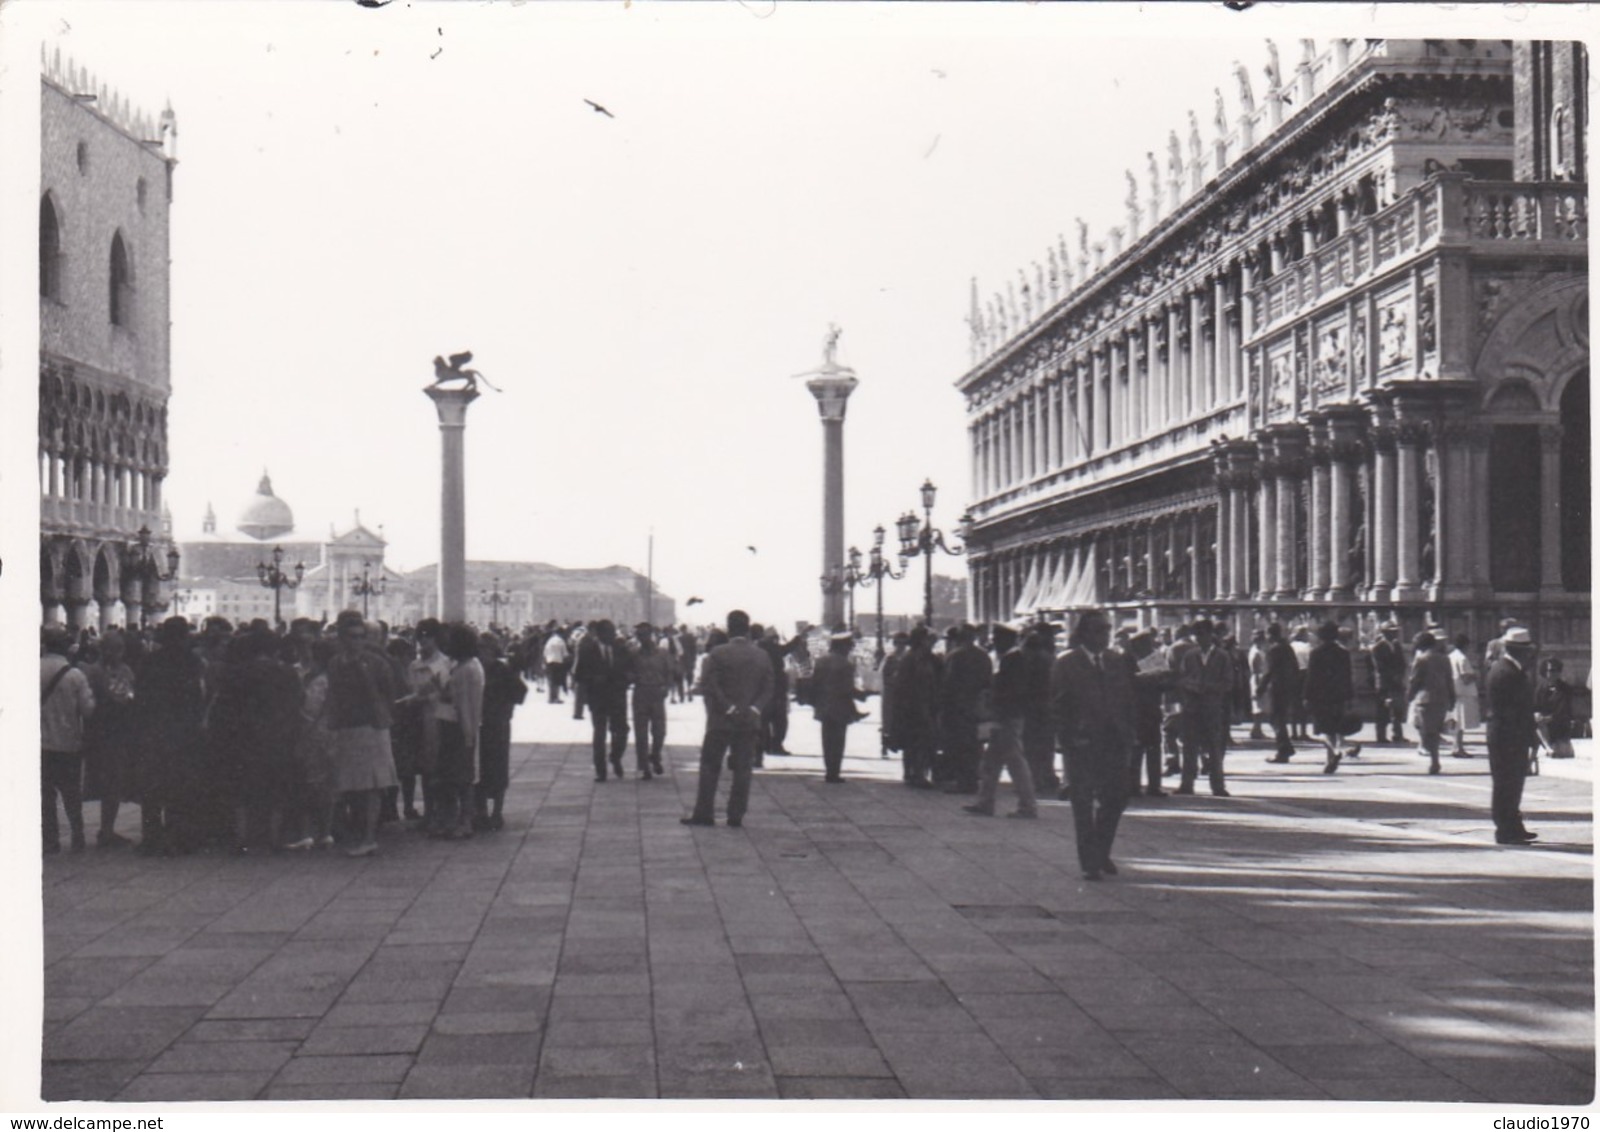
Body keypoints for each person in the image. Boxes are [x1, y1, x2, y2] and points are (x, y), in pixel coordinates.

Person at [1051, 610, 1133, 880]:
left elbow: (1126, 697)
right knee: (1083, 802)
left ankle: (1100, 850)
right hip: (1082, 742)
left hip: (1113, 742)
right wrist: (1067, 738)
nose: (1105, 635)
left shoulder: (1116, 660)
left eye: (1107, 629)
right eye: (1099, 630)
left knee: (1117, 798)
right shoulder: (1067, 662)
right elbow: (1057, 705)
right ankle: (1090, 862)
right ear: (1084, 633)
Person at [682, 610, 772, 827]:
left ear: (729, 627)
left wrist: (729, 707)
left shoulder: (718, 653)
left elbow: (710, 685)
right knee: (743, 768)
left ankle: (704, 813)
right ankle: (736, 814)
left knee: (710, 766)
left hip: (720, 720)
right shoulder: (761, 655)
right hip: (749, 720)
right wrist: (754, 709)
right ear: (748, 628)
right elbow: (769, 687)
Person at [325, 610, 400, 857]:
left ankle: (369, 836)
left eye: (360, 637)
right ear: (342, 638)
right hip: (346, 728)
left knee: (371, 785)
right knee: (350, 785)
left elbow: (390, 694)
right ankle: (356, 832)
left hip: (371, 728)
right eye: (351, 637)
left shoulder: (376, 663)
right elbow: (333, 695)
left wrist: (383, 716)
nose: (356, 641)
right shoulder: (336, 663)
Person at [133, 618, 206, 856]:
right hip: (183, 731)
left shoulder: (150, 661)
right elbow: (198, 697)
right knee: (180, 786)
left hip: (154, 730)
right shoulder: (192, 662)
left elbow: (141, 697)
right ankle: (179, 837)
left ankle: (151, 837)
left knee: (153, 787)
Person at [965, 624, 1039, 818]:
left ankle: (1027, 805)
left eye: (997, 639)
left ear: (1007, 639)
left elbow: (1009, 691)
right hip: (1007, 716)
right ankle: (985, 802)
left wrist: (995, 710)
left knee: (1015, 762)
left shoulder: (1012, 660)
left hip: (1007, 717)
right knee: (992, 762)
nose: (994, 643)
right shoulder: (1013, 658)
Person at [80, 628, 137, 849]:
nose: (117, 654)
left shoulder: (92, 671)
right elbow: (127, 698)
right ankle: (106, 830)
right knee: (111, 782)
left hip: (100, 732)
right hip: (113, 733)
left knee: (109, 783)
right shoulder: (115, 671)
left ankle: (106, 828)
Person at [41, 627, 96, 854]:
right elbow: (88, 710)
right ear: (65, 646)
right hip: (68, 743)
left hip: (39, 745)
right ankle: (77, 835)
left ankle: (50, 840)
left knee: (45, 796)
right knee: (71, 793)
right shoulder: (75, 675)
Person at [1484, 627, 1539, 845]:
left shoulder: (1506, 669)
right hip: (1507, 736)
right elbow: (1512, 709)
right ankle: (1505, 829)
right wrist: (1526, 732)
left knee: (1512, 782)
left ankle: (1513, 824)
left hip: (1509, 734)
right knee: (1506, 783)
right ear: (1519, 651)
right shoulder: (1506, 673)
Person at [474, 634, 527, 830]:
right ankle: (480, 811)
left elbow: (520, 692)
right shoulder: (475, 669)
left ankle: (497, 811)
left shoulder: (501, 669)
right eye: (479, 649)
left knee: (497, 768)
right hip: (479, 724)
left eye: (485, 649)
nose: (482, 653)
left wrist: (506, 709)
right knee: (479, 768)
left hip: (497, 726)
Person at [1176, 619, 1233, 796]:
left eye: (1202, 634)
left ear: (1211, 635)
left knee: (1214, 747)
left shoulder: (1222, 656)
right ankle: (1187, 784)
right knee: (1189, 746)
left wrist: (1211, 688)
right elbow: (1182, 678)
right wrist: (1191, 687)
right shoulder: (1190, 655)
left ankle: (1218, 785)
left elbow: (1228, 682)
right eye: (1196, 635)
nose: (1199, 639)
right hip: (1192, 706)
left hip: (1212, 706)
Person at [573, 619, 631, 781]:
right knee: (600, 734)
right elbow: (578, 674)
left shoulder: (620, 648)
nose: (613, 635)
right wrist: (593, 679)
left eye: (613, 632)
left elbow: (629, 668)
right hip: (597, 698)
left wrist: (626, 679)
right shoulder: (587, 650)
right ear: (599, 634)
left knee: (622, 731)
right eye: (609, 632)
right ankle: (601, 770)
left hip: (617, 697)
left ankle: (615, 756)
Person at [939, 623, 992, 795]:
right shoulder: (984, 657)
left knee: (956, 745)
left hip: (956, 708)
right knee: (974, 745)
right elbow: (988, 683)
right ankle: (972, 779)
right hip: (976, 707)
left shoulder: (954, 656)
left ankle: (961, 781)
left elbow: (946, 683)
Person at [1302, 620, 1360, 773]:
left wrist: (1307, 696)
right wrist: (1349, 697)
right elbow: (1348, 676)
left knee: (1322, 729)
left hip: (1321, 696)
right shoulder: (1343, 653)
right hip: (1338, 696)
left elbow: (1311, 677)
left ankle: (1333, 752)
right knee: (1335, 728)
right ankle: (1330, 759)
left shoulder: (1316, 653)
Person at [811, 629, 867, 783]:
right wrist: (861, 695)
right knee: (838, 740)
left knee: (826, 740)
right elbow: (847, 689)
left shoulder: (820, 661)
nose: (850, 649)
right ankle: (834, 771)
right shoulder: (845, 664)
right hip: (840, 707)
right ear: (842, 646)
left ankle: (829, 770)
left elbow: (815, 683)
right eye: (849, 646)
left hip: (823, 705)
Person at [893, 626, 942, 789]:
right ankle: (916, 773)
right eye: (929, 639)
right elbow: (904, 684)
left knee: (923, 740)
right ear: (921, 641)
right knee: (917, 740)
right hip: (915, 705)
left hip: (927, 704)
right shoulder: (912, 659)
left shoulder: (928, 658)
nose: (933, 643)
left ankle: (917, 773)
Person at [1125, 630, 1169, 798]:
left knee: (1154, 749)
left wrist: (1164, 678)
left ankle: (1154, 786)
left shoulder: (1155, 659)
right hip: (1136, 711)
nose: (1151, 647)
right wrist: (1146, 678)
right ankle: (1133, 785)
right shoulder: (1127, 660)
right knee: (1137, 749)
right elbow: (1128, 683)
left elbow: (1163, 685)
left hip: (1152, 710)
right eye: (1147, 644)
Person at [1407, 631, 1456, 775]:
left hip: (1425, 699)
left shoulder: (1421, 659)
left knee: (1427, 730)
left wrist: (1409, 695)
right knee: (1433, 730)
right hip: (1442, 698)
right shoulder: (1444, 659)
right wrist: (1452, 698)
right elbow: (1449, 679)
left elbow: (1415, 680)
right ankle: (1435, 759)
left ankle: (1435, 760)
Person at [1021, 624, 1061, 792]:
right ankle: (1046, 776)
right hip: (1048, 706)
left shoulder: (1033, 659)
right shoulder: (1052, 658)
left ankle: (1036, 779)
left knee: (1032, 745)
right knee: (1046, 745)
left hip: (1033, 706)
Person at [630, 623, 672, 778]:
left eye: (645, 634)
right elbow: (629, 672)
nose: (642, 638)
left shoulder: (662, 653)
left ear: (651, 634)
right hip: (640, 692)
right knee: (640, 732)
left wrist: (666, 687)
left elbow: (670, 673)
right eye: (639, 635)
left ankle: (655, 755)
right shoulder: (634, 654)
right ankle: (644, 767)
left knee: (659, 731)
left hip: (657, 693)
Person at [1262, 623, 1300, 763]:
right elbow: (1295, 667)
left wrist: (1261, 687)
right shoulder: (1288, 647)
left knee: (1276, 719)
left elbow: (1269, 671)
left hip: (1277, 687)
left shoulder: (1274, 649)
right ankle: (1285, 747)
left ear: (1270, 634)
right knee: (1281, 718)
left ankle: (1283, 749)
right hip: (1288, 687)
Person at [1371, 621, 1407, 744]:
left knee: (1397, 709)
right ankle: (1381, 735)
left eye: (1395, 632)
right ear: (1385, 632)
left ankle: (1397, 734)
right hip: (1384, 683)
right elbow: (1380, 667)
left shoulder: (1397, 645)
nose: (1394, 634)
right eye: (1391, 632)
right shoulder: (1377, 647)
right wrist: (1393, 676)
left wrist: (1400, 675)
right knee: (1382, 710)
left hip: (1396, 682)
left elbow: (1402, 663)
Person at [877, 632, 909, 760]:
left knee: (903, 720)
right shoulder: (889, 658)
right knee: (888, 721)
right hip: (890, 693)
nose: (901, 646)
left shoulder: (908, 657)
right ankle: (884, 747)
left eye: (904, 643)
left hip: (905, 694)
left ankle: (902, 745)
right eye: (898, 643)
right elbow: (882, 675)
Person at [1448, 633, 1481, 758]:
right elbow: (1465, 677)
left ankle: (1456, 745)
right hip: (1464, 692)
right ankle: (1458, 747)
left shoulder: (1451, 656)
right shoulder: (1462, 658)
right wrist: (1476, 674)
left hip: (1454, 691)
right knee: (1460, 722)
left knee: (1456, 721)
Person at [1535, 658, 1576, 759]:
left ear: (1559, 672)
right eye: (1549, 670)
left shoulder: (1566, 689)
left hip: (1559, 722)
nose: (1551, 673)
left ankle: (1551, 747)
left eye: (1554, 670)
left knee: (1563, 751)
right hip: (1543, 723)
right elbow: (1535, 706)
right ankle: (1548, 749)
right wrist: (1537, 714)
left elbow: (1565, 710)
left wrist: (1550, 718)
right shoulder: (1540, 688)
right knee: (1535, 723)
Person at [543, 627, 570, 705]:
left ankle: (551, 697)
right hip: (558, 662)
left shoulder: (549, 641)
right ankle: (556, 697)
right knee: (557, 681)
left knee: (551, 680)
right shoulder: (561, 641)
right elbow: (565, 653)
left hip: (549, 661)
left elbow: (545, 652)